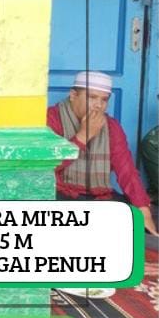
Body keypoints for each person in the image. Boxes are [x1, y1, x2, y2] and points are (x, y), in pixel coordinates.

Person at [49, 71, 157, 234]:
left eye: (104, 99)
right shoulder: (51, 118)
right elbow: (48, 166)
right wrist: (82, 137)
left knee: (138, 223)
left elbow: (127, 171)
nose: (98, 105)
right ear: (73, 95)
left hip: (99, 196)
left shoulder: (111, 126)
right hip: (60, 194)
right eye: (92, 97)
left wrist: (143, 210)